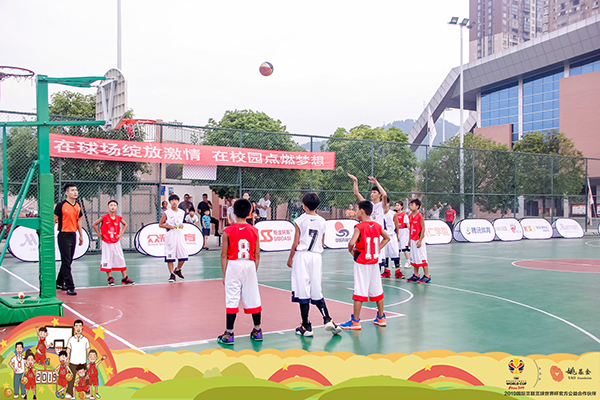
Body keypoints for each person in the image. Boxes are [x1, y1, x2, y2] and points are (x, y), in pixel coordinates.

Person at [287, 193, 342, 337]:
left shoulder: (299, 220)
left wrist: (290, 258)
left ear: (304, 206)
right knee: (316, 288)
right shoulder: (323, 221)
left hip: (303, 256)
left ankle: (306, 326)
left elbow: (296, 242)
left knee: (302, 290)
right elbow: (322, 243)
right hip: (316, 257)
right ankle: (327, 318)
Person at [218, 199, 263, 345]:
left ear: (234, 212)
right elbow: (257, 255)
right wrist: (253, 271)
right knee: (253, 297)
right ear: (250, 212)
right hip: (249, 264)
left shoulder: (227, 231)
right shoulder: (255, 231)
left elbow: (223, 255)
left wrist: (225, 274)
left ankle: (229, 333)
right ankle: (257, 330)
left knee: (232, 298)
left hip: (234, 264)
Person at [340, 200, 390, 330]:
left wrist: (351, 250)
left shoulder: (359, 227)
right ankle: (381, 317)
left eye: (357, 210)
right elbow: (387, 238)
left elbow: (352, 242)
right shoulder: (377, 226)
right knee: (377, 289)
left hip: (362, 262)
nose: (356, 212)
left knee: (360, 290)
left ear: (362, 211)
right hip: (374, 262)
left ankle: (355, 321)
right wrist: (377, 248)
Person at [348, 174, 388, 267]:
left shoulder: (382, 206)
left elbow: (385, 195)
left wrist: (376, 182)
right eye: (371, 192)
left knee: (377, 261)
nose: (372, 194)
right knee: (366, 259)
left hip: (377, 234)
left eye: (374, 192)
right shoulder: (368, 205)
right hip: (367, 233)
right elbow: (356, 193)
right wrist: (355, 181)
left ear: (379, 194)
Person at [92, 200, 135, 287]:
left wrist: (121, 234)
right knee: (107, 259)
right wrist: (100, 235)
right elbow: (94, 225)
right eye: (111, 205)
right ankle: (110, 278)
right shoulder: (104, 217)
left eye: (114, 205)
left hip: (116, 242)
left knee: (120, 258)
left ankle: (125, 278)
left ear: (117, 208)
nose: (113, 207)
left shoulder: (118, 218)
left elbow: (125, 224)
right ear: (108, 207)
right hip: (106, 242)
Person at [55, 183, 84, 296]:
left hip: (73, 235)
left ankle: (59, 282)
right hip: (63, 235)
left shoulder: (77, 206)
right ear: (66, 193)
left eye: (76, 190)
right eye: (72, 190)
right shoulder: (61, 205)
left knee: (68, 261)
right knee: (66, 261)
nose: (75, 192)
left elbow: (79, 220)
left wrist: (81, 235)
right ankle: (70, 286)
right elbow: (54, 219)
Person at [159, 194, 188, 283]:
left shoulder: (182, 212)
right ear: (170, 202)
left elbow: (181, 222)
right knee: (170, 254)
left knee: (183, 254)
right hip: (171, 234)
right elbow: (161, 224)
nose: (174, 202)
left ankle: (178, 269)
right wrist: (169, 226)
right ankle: (172, 274)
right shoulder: (167, 213)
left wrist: (181, 225)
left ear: (178, 201)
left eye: (176, 200)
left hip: (179, 234)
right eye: (172, 200)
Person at [406, 199, 431, 284]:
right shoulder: (410, 216)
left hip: (418, 239)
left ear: (417, 206)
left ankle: (427, 276)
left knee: (422, 257)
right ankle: (416, 275)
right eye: (410, 205)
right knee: (414, 257)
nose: (410, 206)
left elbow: (423, 228)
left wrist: (420, 240)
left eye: (412, 205)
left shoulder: (420, 216)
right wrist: (409, 240)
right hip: (413, 239)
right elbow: (410, 229)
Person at [380, 198, 403, 279]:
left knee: (395, 252)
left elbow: (396, 225)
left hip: (392, 235)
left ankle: (398, 271)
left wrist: (397, 235)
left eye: (385, 203)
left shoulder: (392, 213)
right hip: (383, 236)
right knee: (384, 253)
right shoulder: (379, 213)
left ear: (388, 204)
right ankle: (386, 270)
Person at [66, 319, 90, 399]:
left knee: (85, 378)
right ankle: (69, 392)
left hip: (83, 362)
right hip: (73, 362)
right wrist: (67, 360)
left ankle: (87, 392)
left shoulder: (85, 339)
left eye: (80, 326)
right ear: (74, 328)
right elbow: (68, 350)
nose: (78, 328)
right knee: (71, 378)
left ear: (82, 327)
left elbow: (88, 351)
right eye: (76, 326)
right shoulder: (71, 339)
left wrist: (90, 361)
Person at [395, 201, 411, 270]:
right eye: (396, 205)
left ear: (401, 206)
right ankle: (399, 262)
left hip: (404, 231)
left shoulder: (404, 215)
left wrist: (410, 233)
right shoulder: (395, 214)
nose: (396, 206)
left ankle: (408, 261)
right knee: (397, 248)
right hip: (397, 231)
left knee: (404, 247)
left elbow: (407, 224)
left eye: (398, 205)